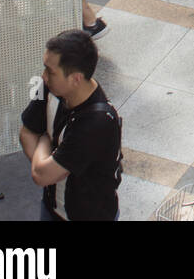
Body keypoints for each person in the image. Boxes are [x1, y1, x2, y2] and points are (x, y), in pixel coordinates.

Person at [19, 30, 122, 222]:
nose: (43, 76)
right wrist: (46, 167)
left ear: (75, 79)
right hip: (51, 208)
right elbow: (26, 133)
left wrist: (44, 143)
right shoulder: (49, 86)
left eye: (51, 71)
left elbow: (40, 176)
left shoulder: (97, 123)